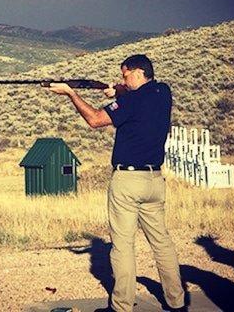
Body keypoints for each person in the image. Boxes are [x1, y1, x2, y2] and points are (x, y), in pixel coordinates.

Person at [48, 54, 185, 312]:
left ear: (136, 72)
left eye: (125, 75)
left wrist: (70, 94)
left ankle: (121, 307)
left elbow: (95, 120)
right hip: (155, 180)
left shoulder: (132, 100)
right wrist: (118, 93)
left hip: (128, 182)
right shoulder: (162, 92)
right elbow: (137, 102)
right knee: (162, 242)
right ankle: (176, 302)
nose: (123, 80)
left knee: (122, 245)